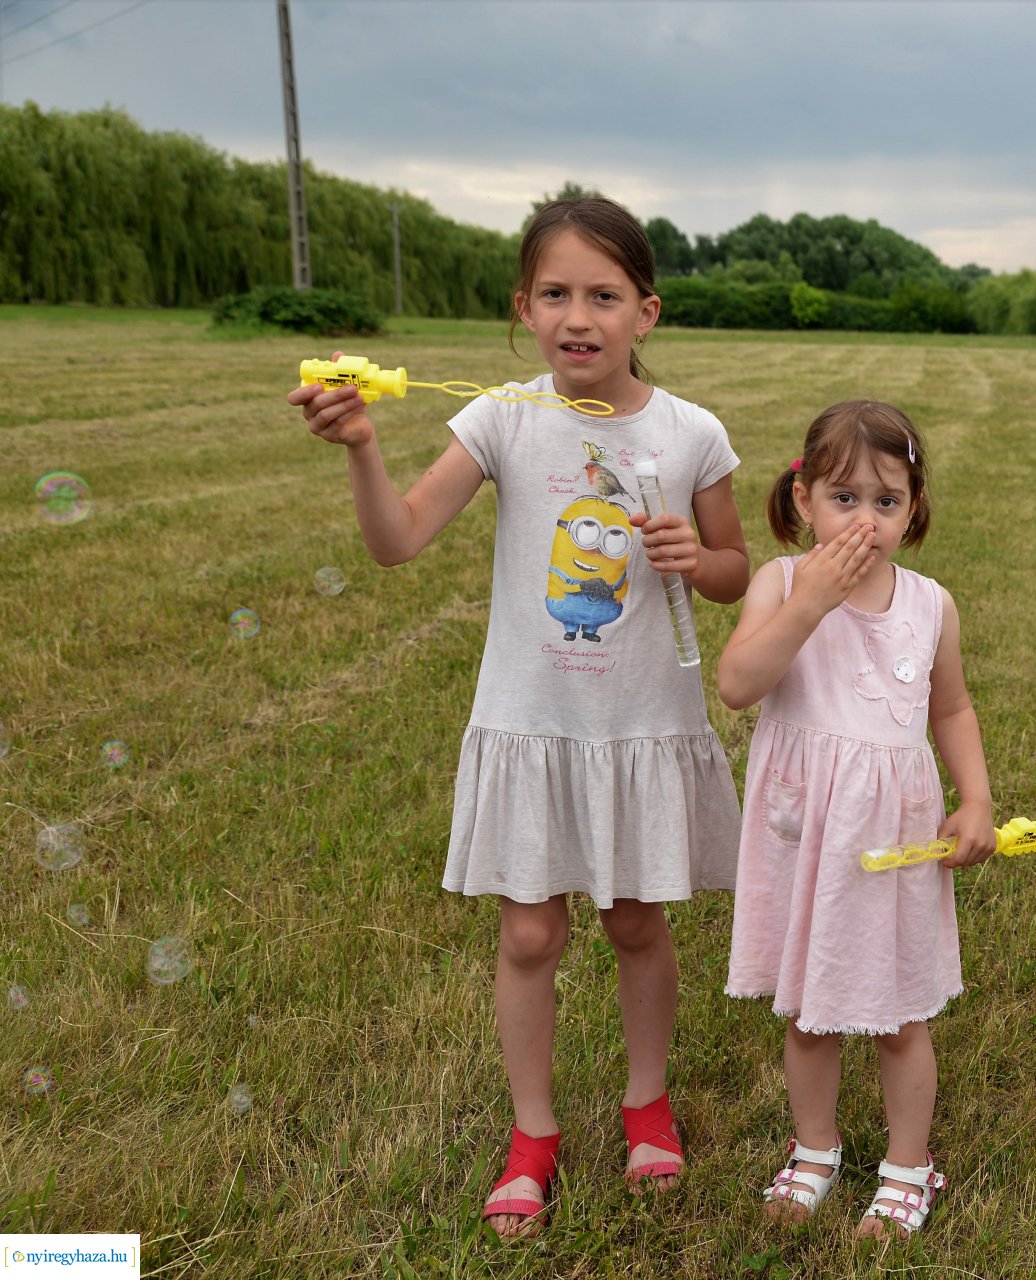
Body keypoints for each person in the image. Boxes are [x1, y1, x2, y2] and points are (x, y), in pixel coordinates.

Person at [286, 197, 749, 1238]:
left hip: (638, 723)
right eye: (554, 294)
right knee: (531, 930)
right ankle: (531, 1133)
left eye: (603, 295)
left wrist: (696, 559)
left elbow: (732, 574)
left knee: (636, 919)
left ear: (647, 312)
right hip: (535, 721)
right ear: (522, 309)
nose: (577, 316)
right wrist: (361, 444)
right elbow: (397, 538)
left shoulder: (692, 433)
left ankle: (647, 1102)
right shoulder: (500, 416)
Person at [715, 400, 995, 1240]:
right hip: (806, 832)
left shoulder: (931, 604)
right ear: (803, 500)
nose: (864, 520)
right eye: (844, 498)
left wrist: (975, 796)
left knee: (901, 1011)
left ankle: (910, 1166)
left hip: (892, 837)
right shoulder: (780, 582)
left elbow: (951, 708)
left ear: (914, 510)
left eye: (886, 500)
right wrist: (810, 602)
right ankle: (815, 1150)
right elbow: (737, 683)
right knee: (809, 1009)